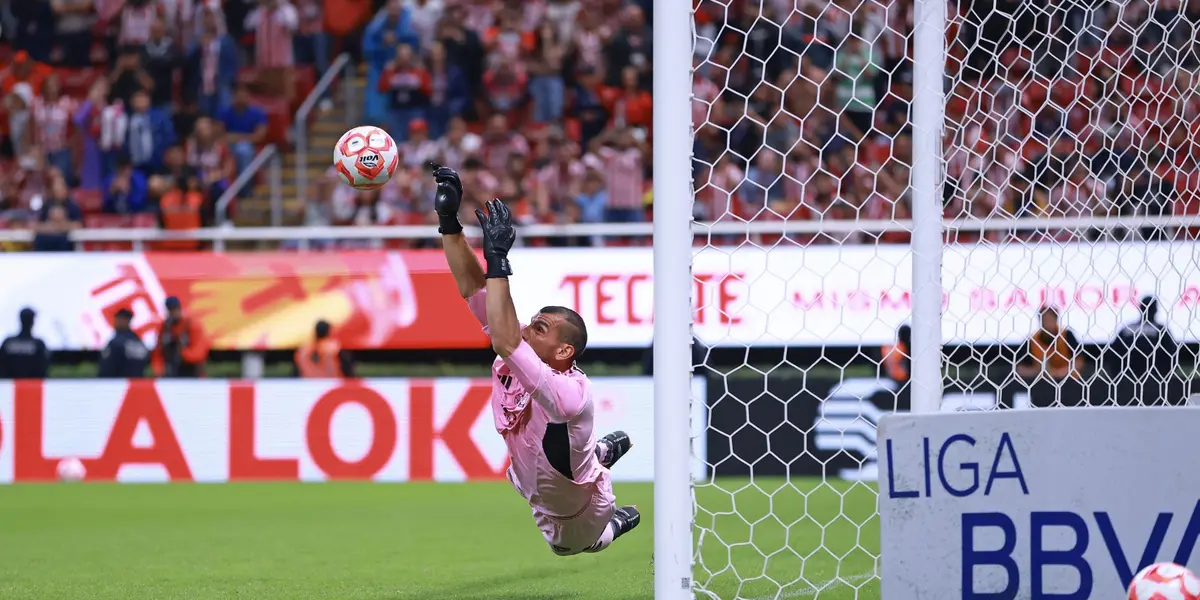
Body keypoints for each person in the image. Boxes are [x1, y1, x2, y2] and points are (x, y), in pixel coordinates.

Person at [429, 162, 640, 556]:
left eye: (540, 328)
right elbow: (473, 287)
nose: (527, 328)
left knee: (571, 549)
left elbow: (506, 341)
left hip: (577, 512)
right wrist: (448, 222)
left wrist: (499, 259)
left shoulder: (569, 393)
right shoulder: (518, 350)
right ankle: (597, 453)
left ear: (564, 352)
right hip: (536, 480)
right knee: (568, 457)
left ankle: (613, 510)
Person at [1104, 296, 1180, 382]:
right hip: (1154, 381)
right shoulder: (1161, 330)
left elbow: (1113, 355)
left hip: (1126, 381)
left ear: (1140, 308)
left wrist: (1117, 377)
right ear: (1155, 310)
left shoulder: (1126, 329)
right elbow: (1172, 356)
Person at [1016, 306, 1083, 381]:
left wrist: (1060, 373)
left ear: (1056, 320)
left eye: (1051, 319)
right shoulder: (1031, 340)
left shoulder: (1067, 335)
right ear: (1040, 321)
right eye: (1045, 320)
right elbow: (1020, 368)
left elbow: (1079, 361)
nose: (1048, 323)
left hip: (1067, 380)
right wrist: (1039, 372)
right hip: (1040, 382)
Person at [152, 296, 209, 377]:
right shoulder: (165, 327)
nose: (173, 312)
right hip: (171, 371)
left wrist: (181, 352)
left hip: (192, 372)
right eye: (170, 310)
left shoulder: (192, 324)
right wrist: (158, 370)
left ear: (180, 308)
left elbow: (199, 354)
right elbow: (158, 352)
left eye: (175, 309)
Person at [98, 309, 150, 378]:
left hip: (118, 383)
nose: (117, 322)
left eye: (120, 319)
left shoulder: (118, 341)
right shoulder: (137, 341)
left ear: (127, 321)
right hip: (134, 383)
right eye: (116, 319)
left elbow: (107, 368)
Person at [0, 308, 51, 379]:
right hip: (32, 387)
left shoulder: (8, 342)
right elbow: (44, 369)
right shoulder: (38, 344)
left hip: (9, 387)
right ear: (32, 322)